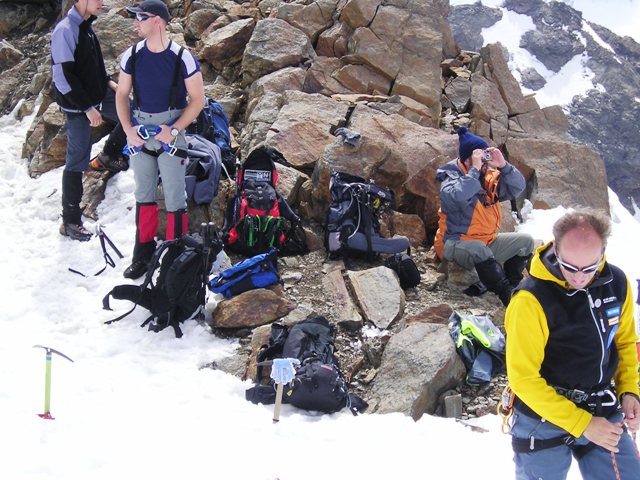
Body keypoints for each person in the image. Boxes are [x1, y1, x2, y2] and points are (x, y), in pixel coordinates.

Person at [505, 208, 640, 479]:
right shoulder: (530, 301)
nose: (578, 277)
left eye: (589, 269)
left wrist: (629, 391)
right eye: (570, 266)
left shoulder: (616, 284)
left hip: (598, 403)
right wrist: (584, 425)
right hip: (541, 413)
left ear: (602, 253)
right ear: (556, 248)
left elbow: (624, 342)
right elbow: (524, 379)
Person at [115, 0, 205, 279]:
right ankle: (141, 256)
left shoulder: (182, 57)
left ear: (158, 21)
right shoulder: (132, 55)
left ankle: (174, 257)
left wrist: (175, 129)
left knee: (175, 197)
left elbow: (198, 100)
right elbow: (121, 94)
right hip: (141, 132)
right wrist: (129, 129)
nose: (135, 23)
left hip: (170, 134)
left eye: (140, 18)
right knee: (144, 195)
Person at [51, 0, 128, 241]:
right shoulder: (65, 30)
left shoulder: (86, 25)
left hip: (99, 93)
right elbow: (62, 76)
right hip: (77, 105)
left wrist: (109, 83)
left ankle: (109, 154)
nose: (102, 2)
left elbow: (92, 64)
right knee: (76, 160)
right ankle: (70, 220)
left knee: (131, 115)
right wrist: (87, 108)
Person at [433, 127, 534, 306]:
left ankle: (513, 285)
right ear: (467, 159)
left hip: (486, 241)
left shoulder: (487, 176)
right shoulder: (450, 177)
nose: (484, 162)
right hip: (454, 243)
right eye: (479, 157)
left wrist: (504, 166)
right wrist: (474, 170)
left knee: (525, 242)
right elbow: (456, 197)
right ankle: (505, 294)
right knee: (479, 249)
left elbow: (517, 188)